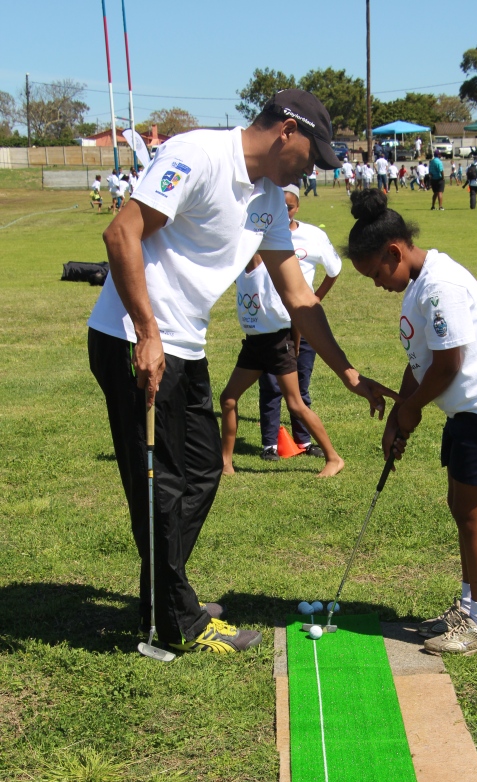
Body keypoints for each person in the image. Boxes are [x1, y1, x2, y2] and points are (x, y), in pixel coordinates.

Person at [87, 89, 394, 655]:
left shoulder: (270, 198)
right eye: (312, 153)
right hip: (134, 337)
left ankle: (165, 595)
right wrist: (148, 333)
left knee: (203, 469)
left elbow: (299, 295)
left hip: (185, 343)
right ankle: (177, 621)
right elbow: (120, 233)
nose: (313, 168)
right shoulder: (198, 155)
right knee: (162, 485)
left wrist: (348, 373)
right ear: (287, 132)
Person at [345, 189, 477, 656]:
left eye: (374, 273)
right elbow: (421, 361)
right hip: (467, 413)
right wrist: (400, 410)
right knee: (461, 507)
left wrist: (411, 411)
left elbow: (449, 364)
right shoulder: (418, 285)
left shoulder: (438, 287)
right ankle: (471, 608)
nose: (375, 284)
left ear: (395, 251)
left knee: (475, 516)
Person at [221, 251, 343, 478]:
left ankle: (334, 458)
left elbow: (294, 310)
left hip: (278, 343)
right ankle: (226, 464)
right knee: (228, 399)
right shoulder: (239, 268)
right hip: (253, 345)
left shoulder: (271, 272)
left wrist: (294, 346)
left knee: (295, 404)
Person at [257, 184, 343, 463]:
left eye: (289, 206)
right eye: (278, 205)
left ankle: (303, 440)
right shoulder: (261, 233)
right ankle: (270, 444)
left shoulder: (313, 235)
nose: (283, 210)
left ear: (298, 207)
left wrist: (314, 300)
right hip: (272, 322)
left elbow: (334, 269)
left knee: (301, 381)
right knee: (271, 384)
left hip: (302, 323)